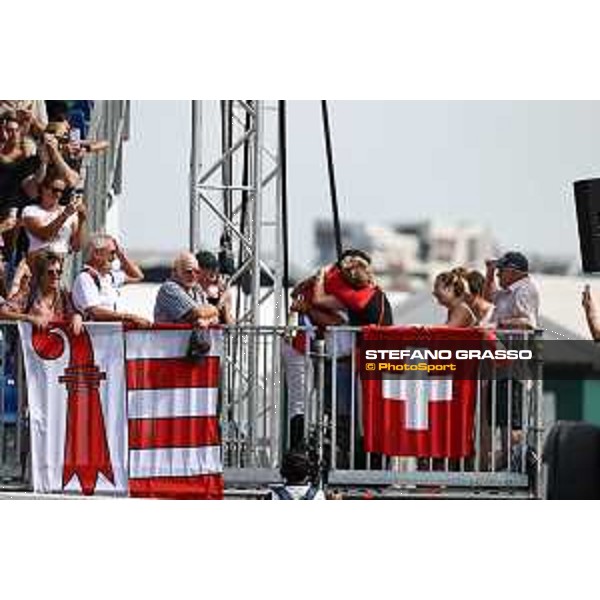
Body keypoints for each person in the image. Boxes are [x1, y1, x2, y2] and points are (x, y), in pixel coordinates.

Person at [71, 233, 150, 326]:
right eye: (112, 253)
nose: (114, 258)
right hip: (95, 336)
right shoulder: (85, 278)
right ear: (97, 254)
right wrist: (129, 317)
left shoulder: (109, 276)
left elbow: (138, 276)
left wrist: (122, 256)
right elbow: (95, 312)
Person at [0, 249, 82, 333]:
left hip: (55, 344)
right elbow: (2, 313)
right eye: (50, 272)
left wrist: (77, 317)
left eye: (59, 272)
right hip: (28, 344)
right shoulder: (29, 293)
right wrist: (29, 318)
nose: (55, 276)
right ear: (41, 275)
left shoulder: (63, 295)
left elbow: (73, 312)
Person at [21, 175, 87, 257]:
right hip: (38, 262)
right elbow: (45, 235)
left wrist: (81, 220)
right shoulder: (30, 210)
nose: (58, 195)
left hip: (59, 262)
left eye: (61, 191)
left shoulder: (68, 211)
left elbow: (76, 247)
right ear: (43, 189)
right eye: (55, 190)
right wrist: (65, 215)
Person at [154, 252, 219, 326]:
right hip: (170, 337)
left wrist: (207, 321)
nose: (193, 275)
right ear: (175, 272)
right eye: (188, 272)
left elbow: (216, 318)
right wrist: (213, 310)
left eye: (197, 272)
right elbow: (197, 313)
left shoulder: (196, 289)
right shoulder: (169, 288)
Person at [483, 251, 539, 329]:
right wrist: (490, 271)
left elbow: (527, 322)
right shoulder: (511, 289)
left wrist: (498, 324)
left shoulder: (524, 290)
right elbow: (488, 298)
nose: (498, 274)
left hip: (515, 340)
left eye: (501, 270)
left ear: (513, 272)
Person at [195, 250, 234, 325]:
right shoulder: (192, 291)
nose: (205, 281)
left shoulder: (222, 292)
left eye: (211, 276)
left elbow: (229, 322)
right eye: (202, 277)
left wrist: (224, 303)